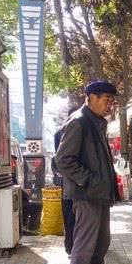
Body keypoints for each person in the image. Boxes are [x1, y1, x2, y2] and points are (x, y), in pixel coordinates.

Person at [55, 80, 123, 264]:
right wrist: (89, 181)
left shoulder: (97, 123)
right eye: (106, 99)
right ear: (90, 98)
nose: (110, 105)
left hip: (100, 194)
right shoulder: (79, 122)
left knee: (101, 241)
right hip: (86, 195)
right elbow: (63, 160)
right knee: (85, 242)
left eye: (112, 100)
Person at [53, 105, 80, 255]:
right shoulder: (77, 129)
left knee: (69, 217)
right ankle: (75, 248)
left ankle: (70, 247)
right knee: (78, 218)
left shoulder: (59, 132)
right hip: (77, 182)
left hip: (67, 182)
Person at [11, 155, 42, 234]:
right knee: (36, 206)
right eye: (12, 163)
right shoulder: (8, 175)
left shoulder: (13, 174)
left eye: (14, 163)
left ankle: (30, 228)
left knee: (35, 205)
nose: (14, 165)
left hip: (18, 199)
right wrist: (26, 194)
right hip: (14, 202)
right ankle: (31, 229)